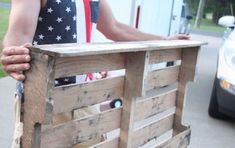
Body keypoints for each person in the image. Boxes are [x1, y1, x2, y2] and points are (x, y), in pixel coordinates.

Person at [0, 0, 189, 81]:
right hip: (43, 98)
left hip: (86, 95)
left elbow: (115, 28)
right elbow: (19, 34)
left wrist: (165, 40)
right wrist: (13, 54)